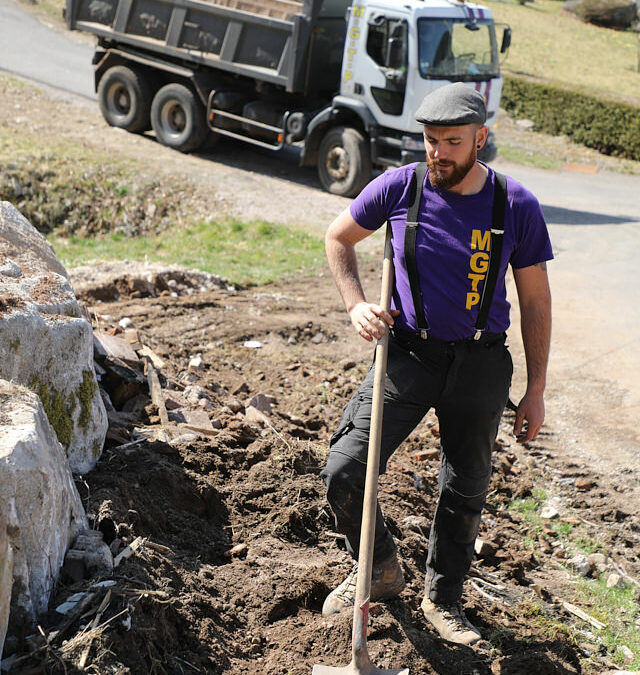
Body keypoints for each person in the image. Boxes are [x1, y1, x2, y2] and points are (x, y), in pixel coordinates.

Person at [320, 82, 552, 646]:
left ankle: (444, 599)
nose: (439, 153)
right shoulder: (402, 186)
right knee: (344, 470)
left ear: (481, 138)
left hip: (480, 365)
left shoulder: (514, 205)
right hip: (409, 354)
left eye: (452, 141)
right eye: (430, 140)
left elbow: (536, 300)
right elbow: (338, 237)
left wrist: (537, 388)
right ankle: (377, 566)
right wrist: (355, 304)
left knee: (465, 487)